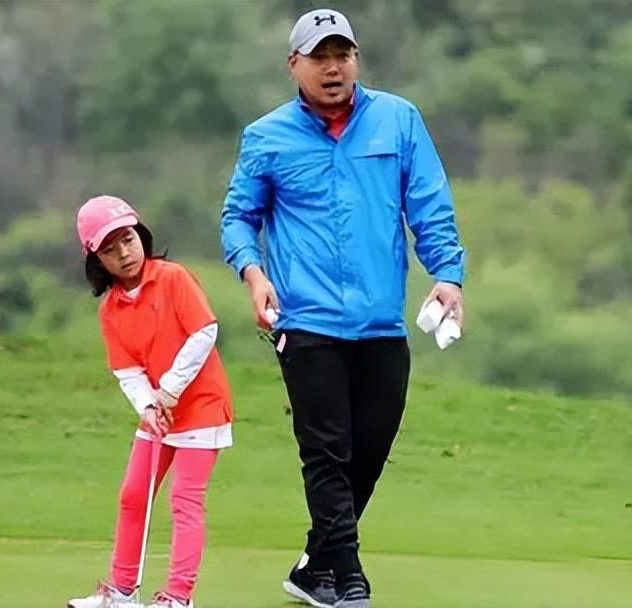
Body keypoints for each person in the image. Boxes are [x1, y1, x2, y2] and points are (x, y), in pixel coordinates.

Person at [220, 8, 465, 608]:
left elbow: (429, 205)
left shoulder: (398, 120)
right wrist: (254, 273)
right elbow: (238, 218)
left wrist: (447, 276)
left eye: (342, 55)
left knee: (370, 450)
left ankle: (315, 564)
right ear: (294, 64)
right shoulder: (267, 137)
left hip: (380, 320)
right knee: (326, 451)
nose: (333, 68)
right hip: (306, 321)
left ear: (355, 59)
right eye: (320, 57)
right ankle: (348, 575)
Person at [67, 195, 233, 608]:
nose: (124, 253)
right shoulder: (111, 310)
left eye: (128, 239)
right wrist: (147, 406)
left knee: (184, 501)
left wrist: (169, 390)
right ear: (97, 260)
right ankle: (123, 592)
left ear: (141, 235)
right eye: (110, 249)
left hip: (203, 408)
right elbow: (127, 370)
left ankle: (178, 597)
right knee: (133, 494)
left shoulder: (174, 278)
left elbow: (204, 333)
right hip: (159, 413)